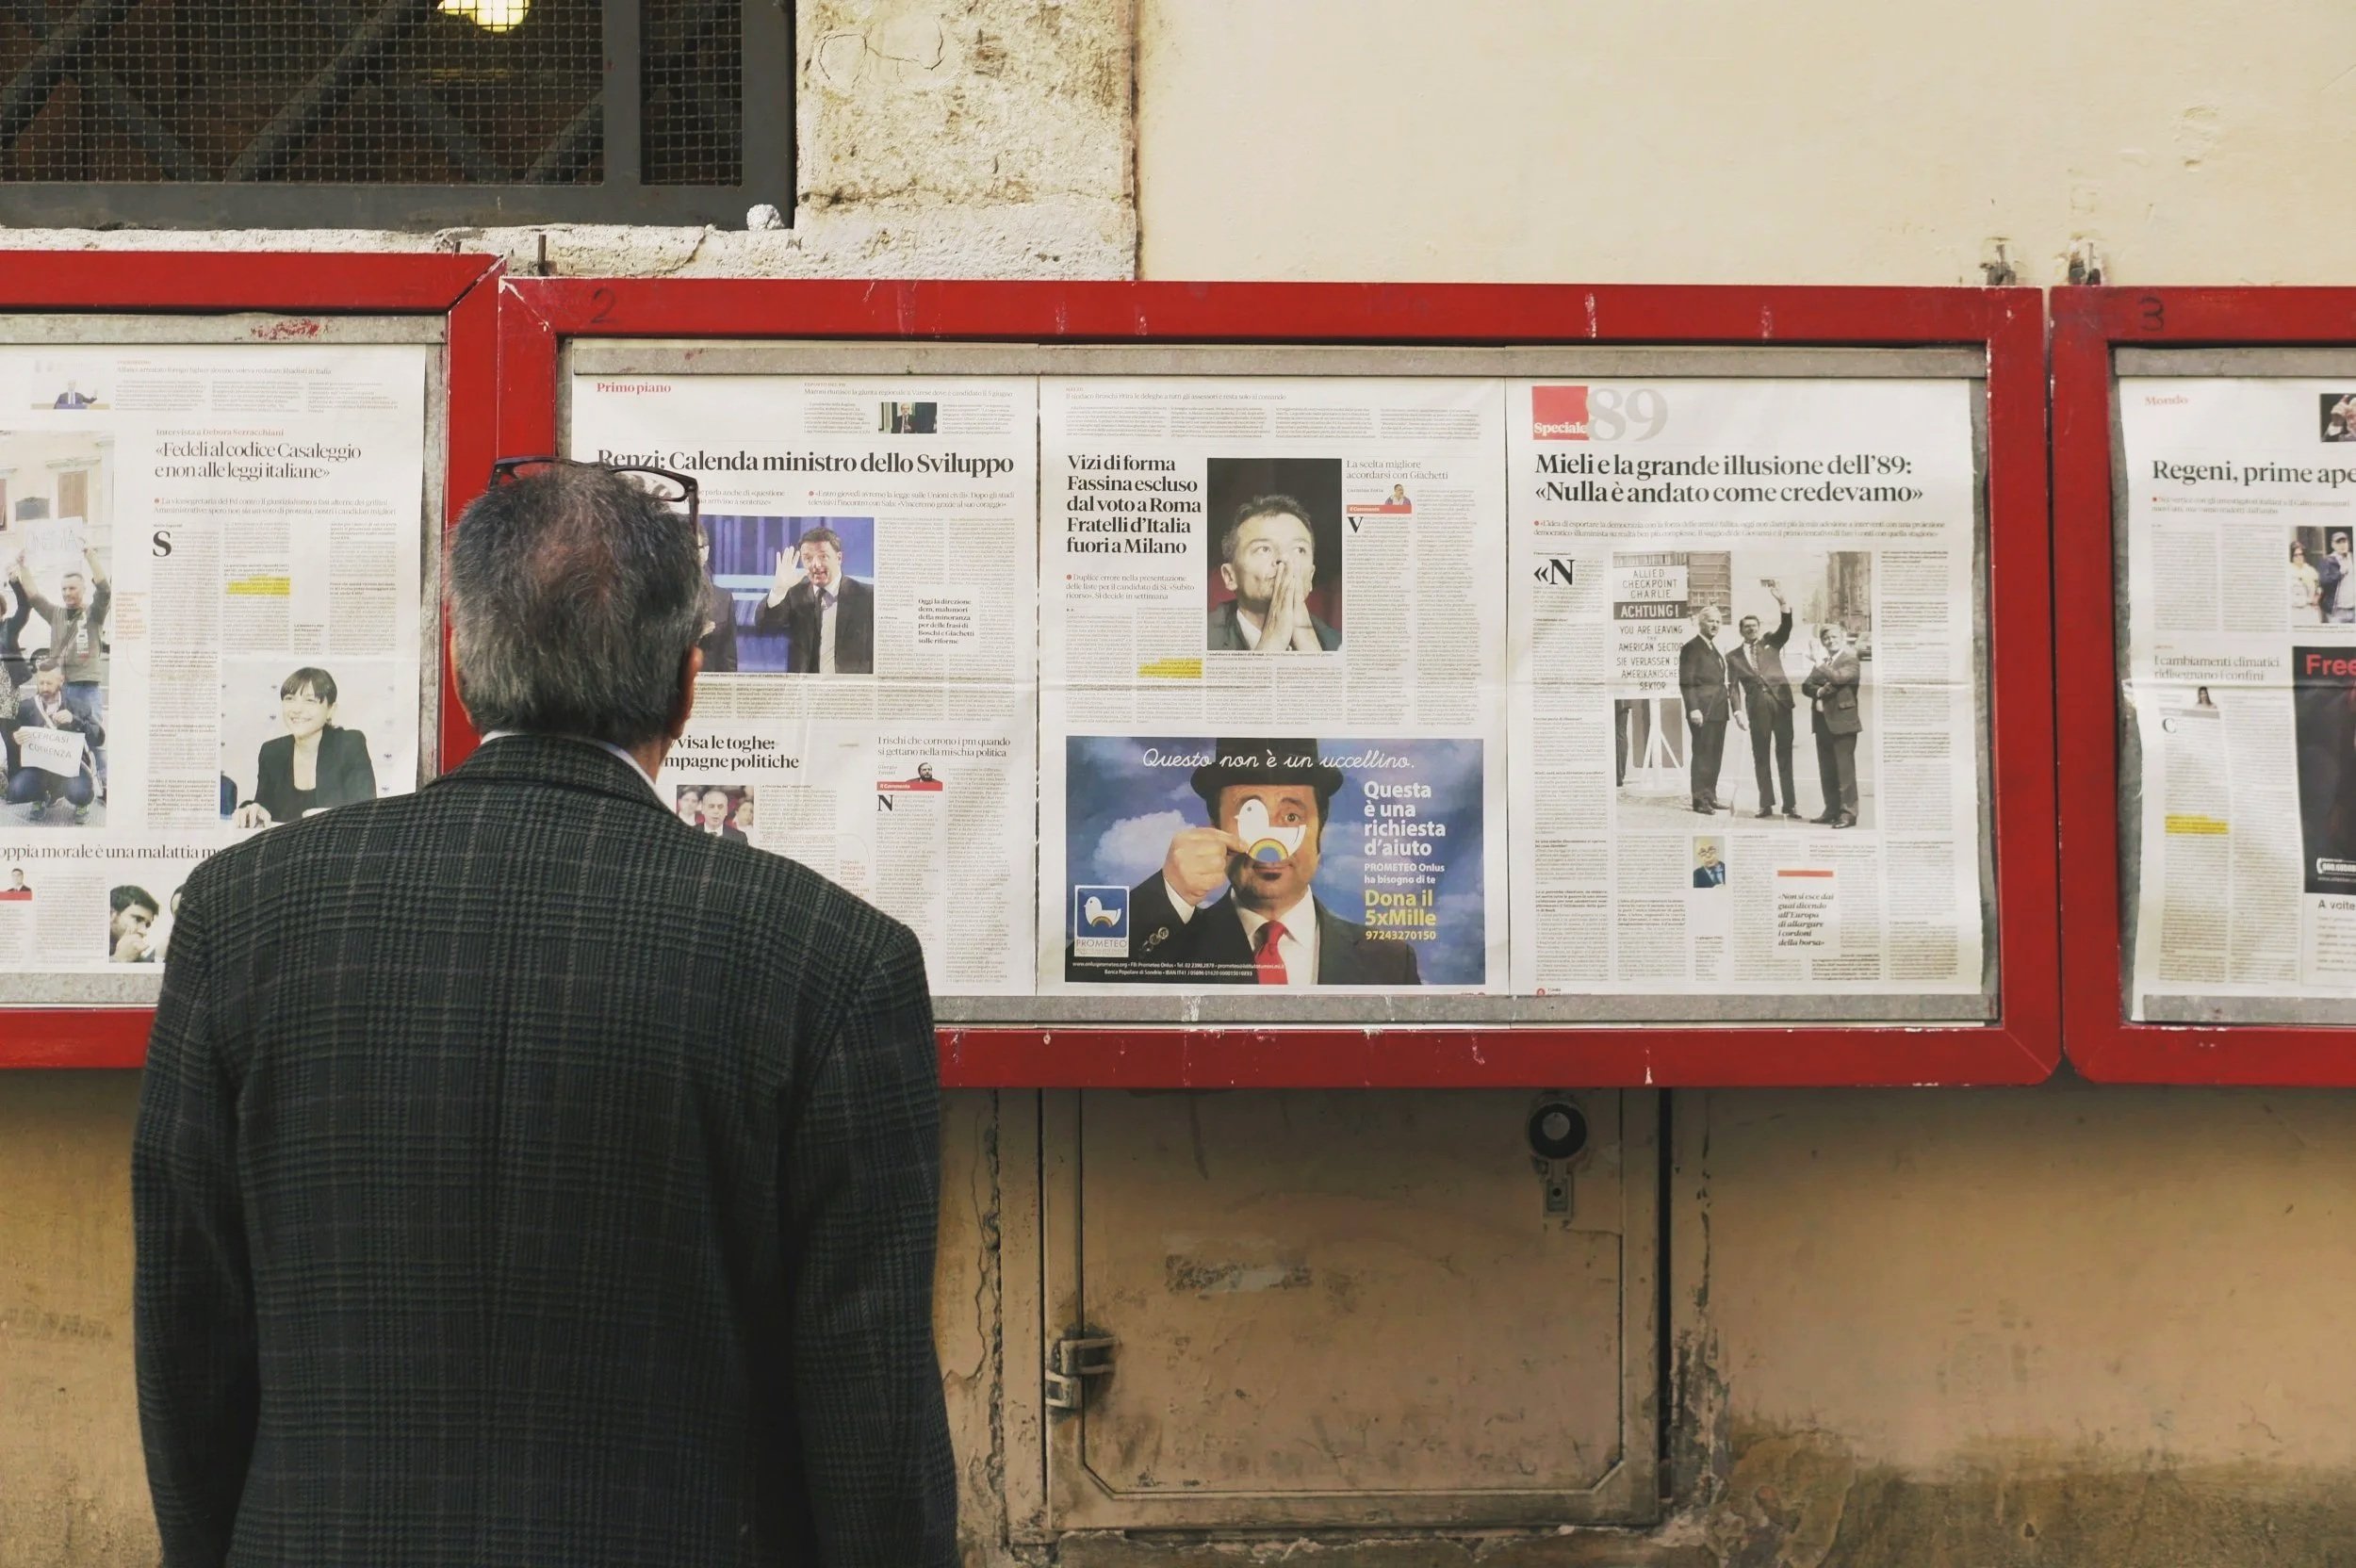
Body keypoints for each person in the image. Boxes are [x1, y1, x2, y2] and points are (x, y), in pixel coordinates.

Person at [133, 461, 954, 1567]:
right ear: (687, 685)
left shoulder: (244, 916)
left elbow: (189, 1332)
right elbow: (871, 1406)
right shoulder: (830, 960)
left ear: (463, 661)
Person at [1065, 737, 1420, 986]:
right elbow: (1071, 983)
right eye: (1250, 816)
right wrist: (1168, 892)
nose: (1272, 845)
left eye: (1292, 818)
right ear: (1215, 830)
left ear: (1320, 835)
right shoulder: (1167, 945)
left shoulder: (1389, 959)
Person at [8, 546, 107, 792]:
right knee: (58, 738)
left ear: (84, 588)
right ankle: (61, 787)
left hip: (86, 687)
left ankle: (105, 785)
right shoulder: (55, 614)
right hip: (59, 688)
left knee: (94, 739)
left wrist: (90, 555)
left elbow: (105, 590)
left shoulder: (94, 613)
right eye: (64, 589)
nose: (67, 593)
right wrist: (23, 566)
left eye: (72, 588)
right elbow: (33, 595)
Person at [231, 667, 376, 827]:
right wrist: (252, 811)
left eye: (310, 700)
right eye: (289, 698)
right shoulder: (272, 752)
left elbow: (367, 813)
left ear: (330, 710)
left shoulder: (349, 744)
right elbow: (262, 805)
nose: (297, 709)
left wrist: (331, 818)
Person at [1206, 496, 1341, 653]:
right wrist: (1271, 645)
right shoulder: (1201, 639)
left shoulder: (1339, 645)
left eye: (1298, 549)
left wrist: (1311, 648)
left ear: (1310, 577)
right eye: (1264, 549)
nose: (1284, 558)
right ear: (1230, 576)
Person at [754, 526, 875, 675]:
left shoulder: (867, 596)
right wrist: (779, 590)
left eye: (823, 556)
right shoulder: (794, 593)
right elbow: (764, 627)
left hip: (849, 692)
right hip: (804, 692)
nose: (816, 565)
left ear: (839, 558)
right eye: (808, 558)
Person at [1726, 581, 1801, 820]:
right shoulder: (1733, 656)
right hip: (1757, 709)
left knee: (1785, 754)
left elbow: (1786, 628)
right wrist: (1738, 712)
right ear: (1741, 631)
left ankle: (1790, 805)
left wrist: (1782, 603)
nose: (1751, 629)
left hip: (1781, 704)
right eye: (1746, 627)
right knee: (1760, 755)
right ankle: (1765, 803)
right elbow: (1733, 687)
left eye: (1754, 626)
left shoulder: (1771, 641)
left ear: (1759, 628)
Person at [7, 661, 101, 822]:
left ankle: (83, 802)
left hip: (71, 768)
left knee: (78, 791)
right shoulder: (27, 707)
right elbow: (13, 735)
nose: (44, 688)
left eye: (49, 683)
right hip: (40, 768)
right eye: (41, 682)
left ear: (61, 681)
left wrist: (75, 720)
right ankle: (41, 797)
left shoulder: (76, 706)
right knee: (16, 789)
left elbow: (99, 737)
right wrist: (14, 738)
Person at [1801, 624, 1862, 828]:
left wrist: (1821, 677)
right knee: (1827, 770)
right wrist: (1819, 692)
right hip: (1822, 723)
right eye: (1826, 638)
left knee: (1844, 771)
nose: (1830, 641)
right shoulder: (1825, 661)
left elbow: (1838, 678)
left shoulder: (1850, 659)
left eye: (1834, 637)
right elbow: (1806, 685)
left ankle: (1848, 814)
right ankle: (1831, 810)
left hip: (1843, 721)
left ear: (1843, 637)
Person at [1677, 605, 1731, 814]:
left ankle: (1710, 795)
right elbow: (1687, 682)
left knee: (1715, 755)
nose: (1715, 625)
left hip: (1718, 711)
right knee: (1702, 754)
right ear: (1701, 623)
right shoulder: (1692, 648)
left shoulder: (1713, 648)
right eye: (1711, 621)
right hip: (1703, 712)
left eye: (1718, 621)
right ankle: (1700, 800)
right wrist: (1693, 709)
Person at [694, 522, 738, 674]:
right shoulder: (663, 597)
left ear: (706, 552)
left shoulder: (724, 598)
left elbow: (728, 658)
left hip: (712, 690)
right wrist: (693, 635)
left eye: (695, 548)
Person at [107, 884, 157, 962]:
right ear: (111, 915)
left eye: (147, 925)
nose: (144, 932)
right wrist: (119, 959)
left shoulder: (136, 958)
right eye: (138, 919)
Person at [2322, 531, 2356, 624]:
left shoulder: (2353, 558)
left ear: (2348, 543)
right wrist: (2339, 574)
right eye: (2338, 542)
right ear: (2333, 545)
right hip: (2337, 612)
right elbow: (2323, 582)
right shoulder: (2328, 560)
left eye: (2344, 542)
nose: (2342, 545)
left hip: (2353, 609)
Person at [2293, 538, 2323, 619]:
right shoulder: (2289, 572)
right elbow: (2291, 598)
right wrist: (2309, 600)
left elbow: (2318, 587)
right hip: (2298, 612)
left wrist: (2317, 596)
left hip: (2313, 611)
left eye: (2301, 554)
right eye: (2296, 555)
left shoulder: (2311, 570)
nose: (2299, 557)